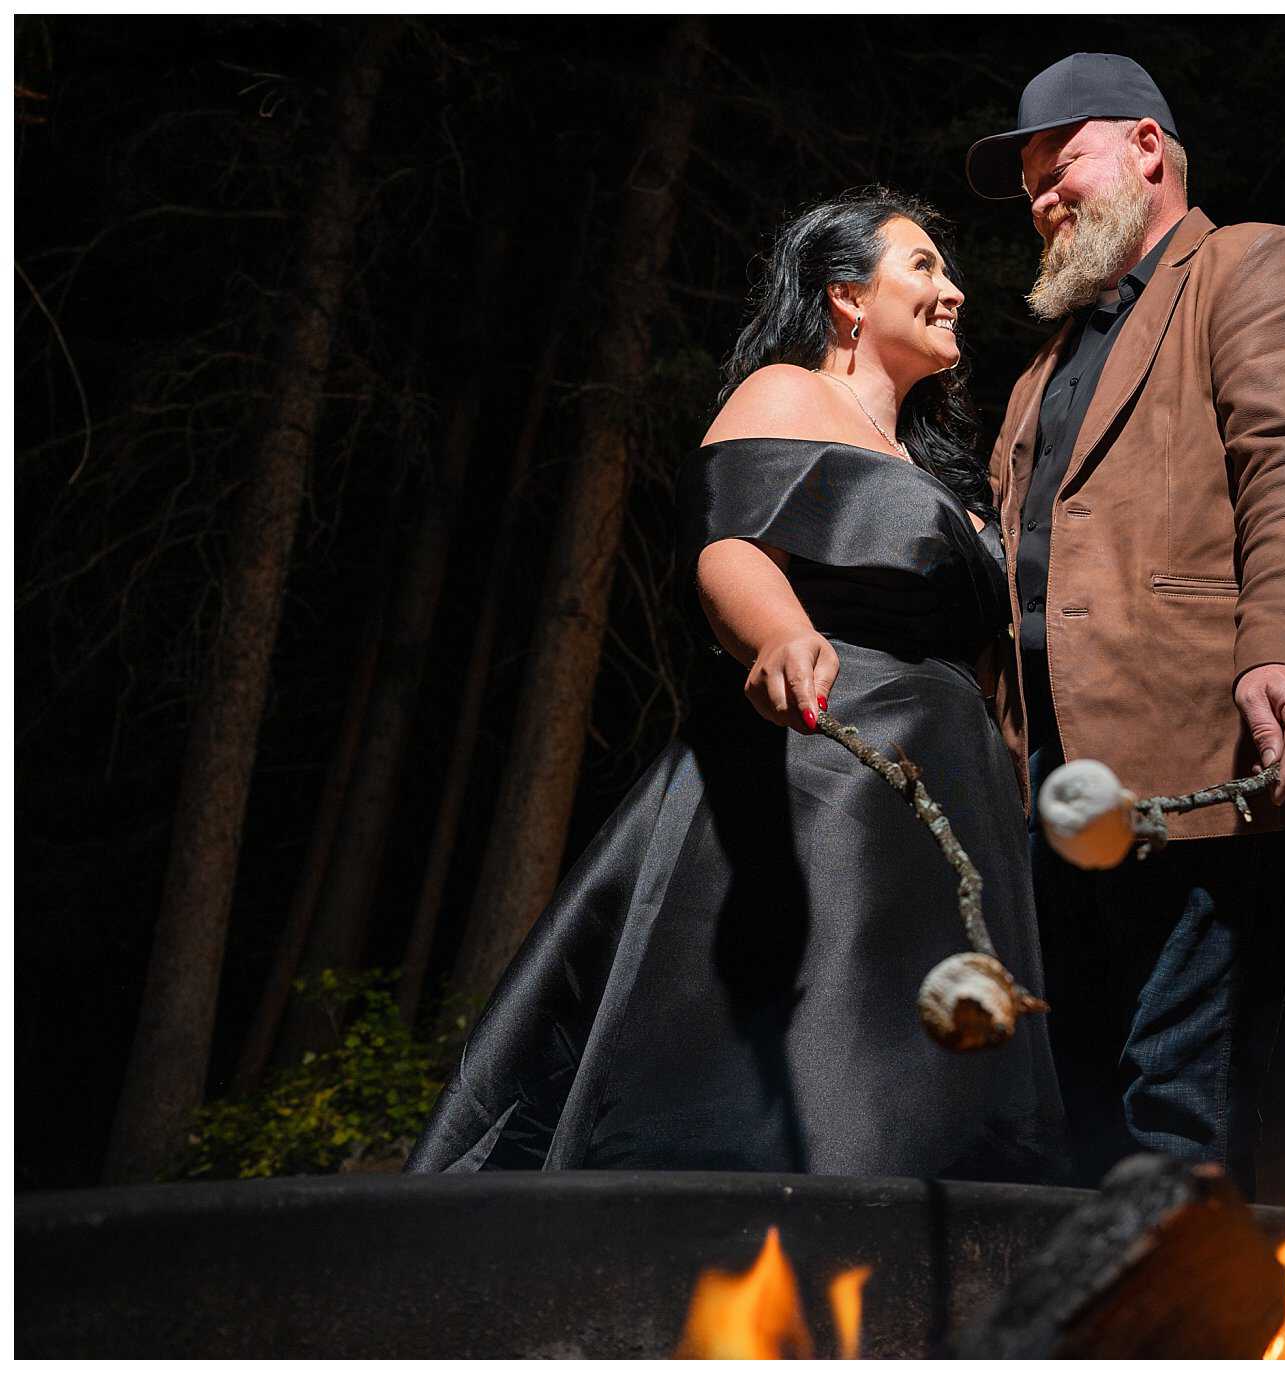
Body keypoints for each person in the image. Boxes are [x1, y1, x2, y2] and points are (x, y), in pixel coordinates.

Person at [406, 187, 1067, 1182]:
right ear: (846, 296)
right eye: (923, 266)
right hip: (826, 773)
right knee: (835, 1054)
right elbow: (730, 549)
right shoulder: (785, 394)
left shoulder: (946, 474)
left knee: (944, 1077)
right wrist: (784, 636)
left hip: (952, 790)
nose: (955, 291)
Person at [964, 53, 1285, 1197]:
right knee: (1058, 1098)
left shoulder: (1255, 262)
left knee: (1178, 1092)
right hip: (1045, 787)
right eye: (1027, 186)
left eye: (1056, 165)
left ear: (1146, 148)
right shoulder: (1040, 368)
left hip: (1188, 752)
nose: (1039, 199)